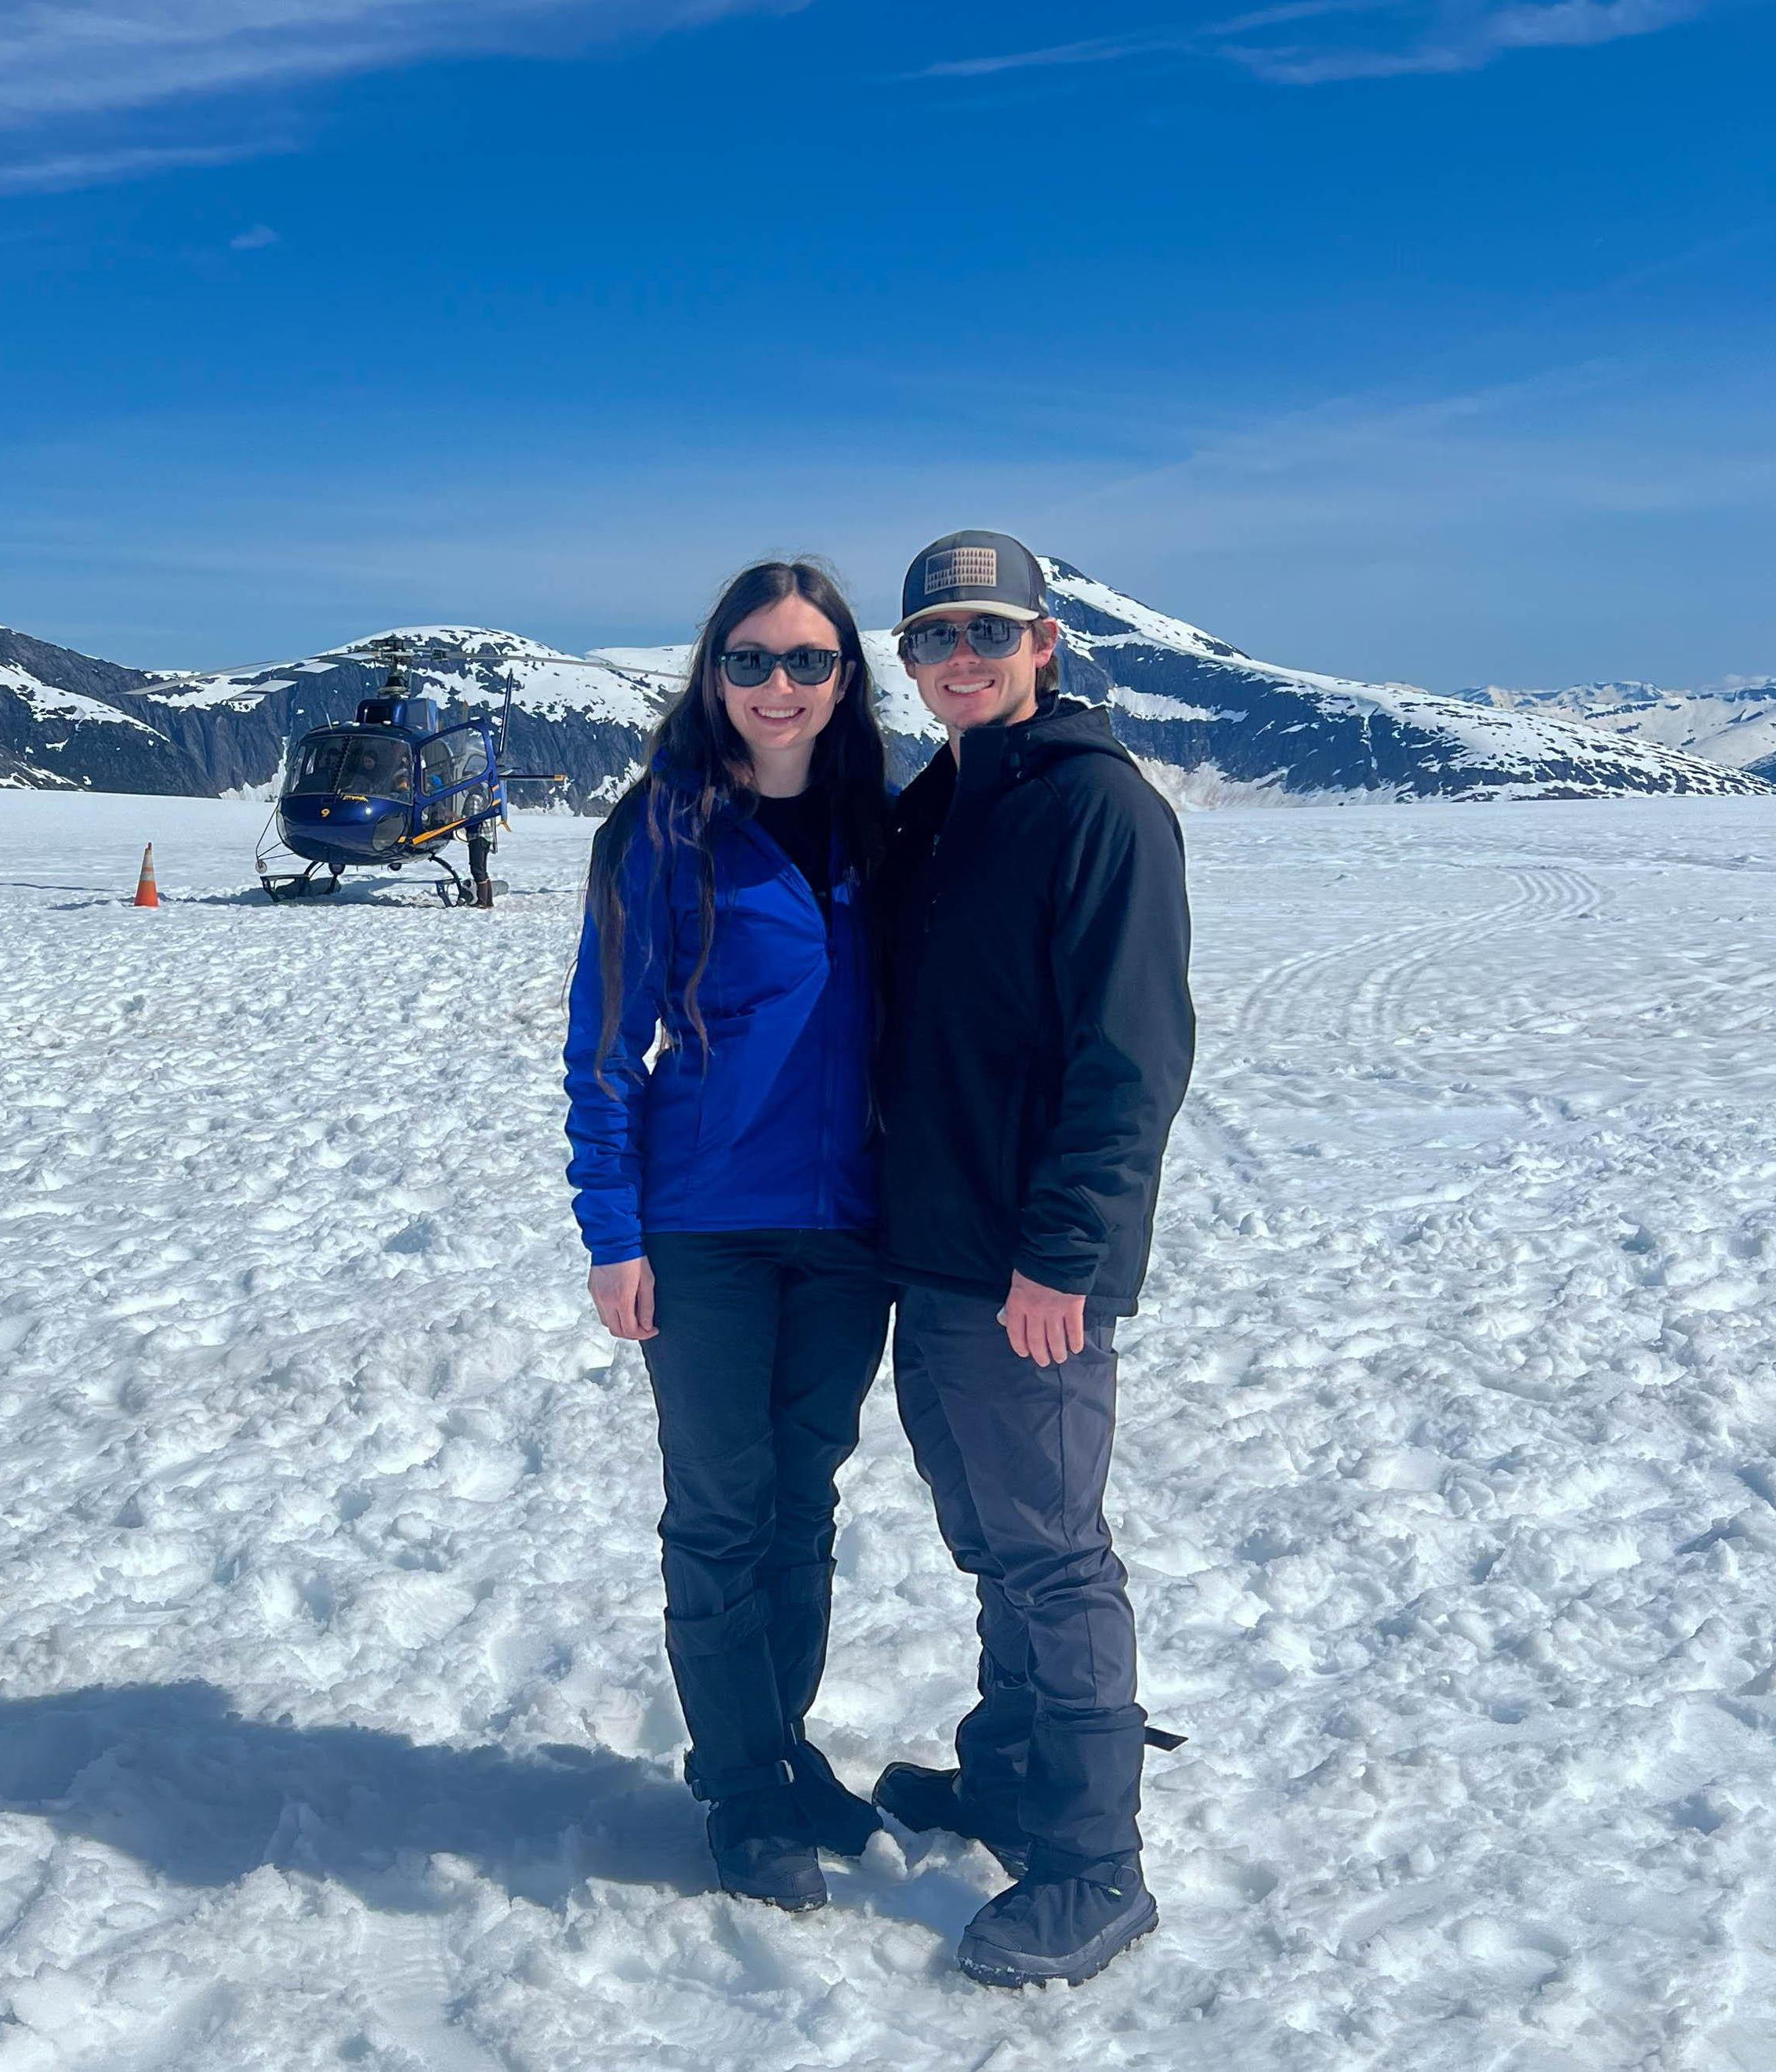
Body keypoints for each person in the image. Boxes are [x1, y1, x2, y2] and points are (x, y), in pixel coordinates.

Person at [869, 530, 1195, 1987]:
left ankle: (1094, 1865)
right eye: (934, 638)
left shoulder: (1096, 811)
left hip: (1025, 1270)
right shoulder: (944, 804)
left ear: (1045, 644)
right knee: (990, 1538)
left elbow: (1129, 1061)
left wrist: (1067, 1255)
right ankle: (1006, 1772)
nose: (960, 659)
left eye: (988, 634)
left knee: (1056, 1557)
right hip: (932, 1255)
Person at [563, 560, 893, 1912]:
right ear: (713, 675)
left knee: (802, 1504)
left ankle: (779, 1743)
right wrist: (613, 1229)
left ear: (844, 681)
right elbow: (603, 1044)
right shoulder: (661, 828)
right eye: (749, 660)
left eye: (805, 661)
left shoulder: (888, 826)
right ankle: (741, 1787)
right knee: (719, 1511)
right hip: (702, 1232)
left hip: (854, 1230)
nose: (776, 686)